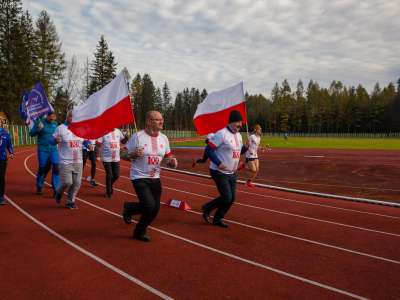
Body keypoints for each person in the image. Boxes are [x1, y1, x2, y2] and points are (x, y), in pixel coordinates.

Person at [122, 111, 178, 242]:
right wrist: (133, 154)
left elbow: (169, 157)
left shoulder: (164, 138)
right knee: (149, 206)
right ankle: (139, 232)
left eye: (162, 119)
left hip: (155, 177)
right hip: (139, 177)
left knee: (155, 209)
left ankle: (129, 209)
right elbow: (122, 154)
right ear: (148, 121)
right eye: (157, 119)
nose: (161, 121)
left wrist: (172, 162)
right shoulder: (137, 137)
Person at [201, 110, 247, 228]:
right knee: (227, 197)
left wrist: (246, 148)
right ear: (232, 122)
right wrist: (218, 162)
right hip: (219, 171)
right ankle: (207, 208)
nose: (240, 125)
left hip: (232, 172)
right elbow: (208, 150)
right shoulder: (221, 134)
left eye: (241, 122)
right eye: (238, 122)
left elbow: (238, 151)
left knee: (231, 199)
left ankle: (218, 218)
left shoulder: (239, 135)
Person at [53, 111, 84, 209]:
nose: (73, 118)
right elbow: (51, 140)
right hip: (65, 161)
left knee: (76, 184)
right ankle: (59, 192)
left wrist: (89, 145)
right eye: (71, 116)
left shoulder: (80, 128)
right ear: (67, 117)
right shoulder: (60, 128)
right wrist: (55, 140)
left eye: (75, 116)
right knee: (67, 182)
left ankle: (70, 201)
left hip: (78, 161)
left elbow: (84, 142)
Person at [29, 111, 60, 195]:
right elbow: (31, 134)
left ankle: (56, 188)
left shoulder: (55, 124)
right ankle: (39, 185)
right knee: (42, 168)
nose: (52, 120)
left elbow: (57, 135)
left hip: (53, 149)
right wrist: (38, 129)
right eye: (51, 118)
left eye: (54, 118)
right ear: (47, 116)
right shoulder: (40, 122)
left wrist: (58, 140)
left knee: (56, 167)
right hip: (43, 149)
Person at [98, 128, 128, 198]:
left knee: (116, 175)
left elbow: (123, 141)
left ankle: (109, 185)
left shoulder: (118, 131)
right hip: (106, 158)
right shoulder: (103, 131)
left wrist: (126, 137)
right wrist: (97, 155)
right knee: (109, 175)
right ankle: (108, 192)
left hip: (116, 158)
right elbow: (98, 144)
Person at [0, 116, 14, 205]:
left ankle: (1, 197)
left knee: (1, 178)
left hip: (2, 159)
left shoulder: (5, 134)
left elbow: (9, 145)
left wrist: (11, 152)